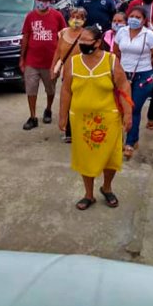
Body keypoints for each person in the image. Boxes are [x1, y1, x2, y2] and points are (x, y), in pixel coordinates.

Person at [58, 25, 133, 210]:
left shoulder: (110, 61)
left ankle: (107, 188)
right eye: (80, 41)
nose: (82, 44)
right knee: (85, 157)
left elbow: (124, 87)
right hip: (81, 120)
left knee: (110, 157)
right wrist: (62, 116)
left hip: (108, 118)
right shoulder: (73, 62)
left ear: (98, 42)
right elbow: (66, 90)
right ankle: (88, 194)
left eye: (86, 41)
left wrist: (128, 114)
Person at [114, 6, 153, 159]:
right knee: (122, 107)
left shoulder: (149, 35)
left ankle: (129, 142)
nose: (134, 19)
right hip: (124, 74)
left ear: (144, 20)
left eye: (138, 17)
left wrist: (146, 67)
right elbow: (116, 51)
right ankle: (132, 138)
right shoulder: (121, 32)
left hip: (143, 75)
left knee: (133, 107)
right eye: (132, 16)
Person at [20, 0, 67, 130]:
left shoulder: (57, 16)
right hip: (32, 61)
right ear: (36, 0)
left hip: (51, 62)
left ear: (50, 1)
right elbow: (26, 37)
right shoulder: (30, 17)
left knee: (50, 90)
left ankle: (48, 109)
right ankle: (33, 116)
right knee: (31, 89)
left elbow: (63, 36)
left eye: (45, 0)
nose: (42, 2)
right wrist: (22, 58)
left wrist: (61, 59)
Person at [51, 8, 88, 142]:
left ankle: (82, 129)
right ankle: (68, 131)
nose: (76, 19)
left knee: (81, 103)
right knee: (67, 102)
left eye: (79, 17)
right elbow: (57, 52)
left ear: (84, 20)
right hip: (67, 74)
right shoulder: (63, 33)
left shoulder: (87, 35)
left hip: (83, 74)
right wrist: (53, 68)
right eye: (73, 16)